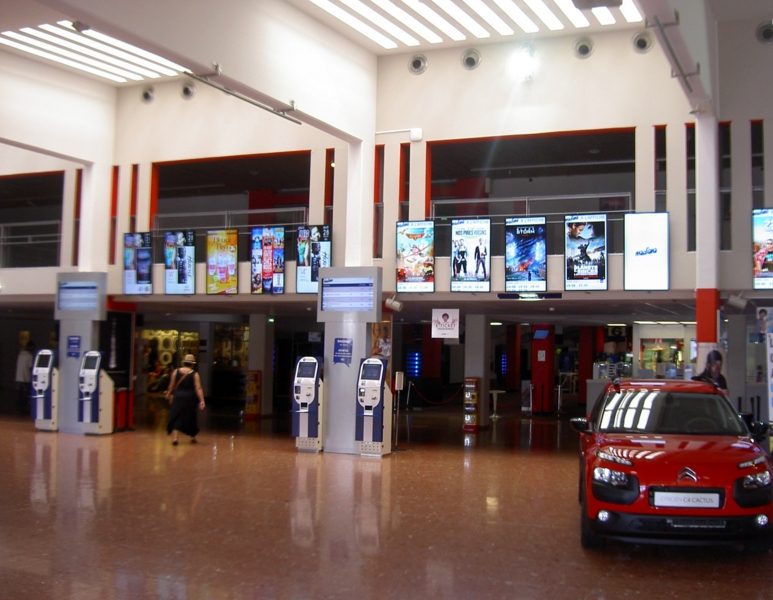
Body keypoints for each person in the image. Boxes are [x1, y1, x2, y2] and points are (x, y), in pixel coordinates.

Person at [165, 354, 206, 445]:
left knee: (176, 416)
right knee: (190, 417)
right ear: (192, 364)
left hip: (178, 397)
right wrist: (202, 400)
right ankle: (192, 437)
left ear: (184, 362)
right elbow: (198, 388)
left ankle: (175, 439)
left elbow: (171, 385)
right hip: (190, 398)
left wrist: (168, 394)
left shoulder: (176, 372)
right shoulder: (195, 374)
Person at [15, 342, 34, 416]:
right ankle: (23, 409)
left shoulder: (20, 354)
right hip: (26, 378)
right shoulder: (29, 356)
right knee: (25, 395)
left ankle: (18, 409)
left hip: (18, 378)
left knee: (18, 395)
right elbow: (31, 367)